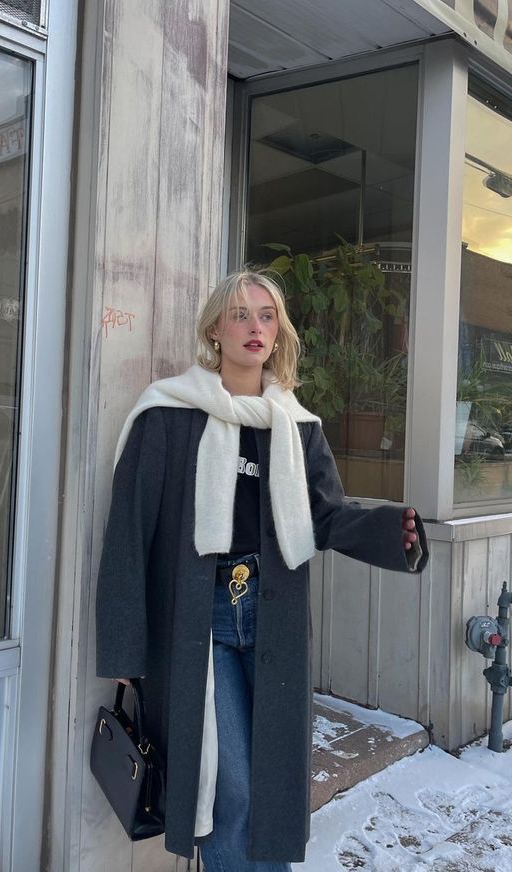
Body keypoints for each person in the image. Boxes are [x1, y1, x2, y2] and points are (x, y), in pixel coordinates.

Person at [95, 271, 429, 871]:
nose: (255, 327)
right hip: (200, 618)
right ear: (215, 330)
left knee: (271, 785)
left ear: (279, 334)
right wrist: (125, 649)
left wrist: (388, 528)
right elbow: (128, 536)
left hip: (271, 616)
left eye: (267, 316)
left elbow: (326, 515)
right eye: (241, 314)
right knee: (233, 784)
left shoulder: (297, 428)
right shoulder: (168, 416)